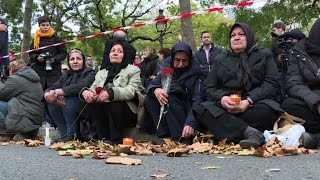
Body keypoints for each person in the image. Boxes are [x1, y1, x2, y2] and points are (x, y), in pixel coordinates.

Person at [193, 23, 282, 149]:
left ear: (249, 37)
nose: (236, 38)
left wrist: (248, 101)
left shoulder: (264, 55)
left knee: (267, 111)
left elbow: (272, 83)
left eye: (241, 34)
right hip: (228, 107)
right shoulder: (220, 59)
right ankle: (252, 133)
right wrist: (223, 99)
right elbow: (209, 87)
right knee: (201, 109)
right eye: (233, 35)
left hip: (255, 105)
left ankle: (228, 131)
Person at [140, 42, 205, 144]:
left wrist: (191, 122)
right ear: (172, 58)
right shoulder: (166, 67)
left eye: (184, 60)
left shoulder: (197, 71)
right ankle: (165, 135)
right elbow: (153, 84)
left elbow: (198, 99)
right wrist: (156, 90)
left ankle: (179, 136)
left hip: (186, 107)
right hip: (169, 105)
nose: (180, 64)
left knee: (170, 97)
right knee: (150, 98)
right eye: (177, 60)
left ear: (189, 59)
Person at [81, 41, 142, 144]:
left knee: (114, 103)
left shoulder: (133, 70)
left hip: (127, 111)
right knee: (94, 103)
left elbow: (132, 90)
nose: (115, 53)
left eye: (120, 51)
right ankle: (103, 139)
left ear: (125, 54)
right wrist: (87, 93)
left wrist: (111, 93)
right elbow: (93, 87)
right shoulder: (102, 72)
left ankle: (116, 139)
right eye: (112, 51)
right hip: (105, 108)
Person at [282, 18, 320, 149]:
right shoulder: (297, 52)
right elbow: (293, 82)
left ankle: (316, 139)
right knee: (289, 105)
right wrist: (316, 103)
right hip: (311, 101)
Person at [44, 49, 95, 142]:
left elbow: (81, 86)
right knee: (52, 102)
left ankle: (72, 134)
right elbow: (54, 86)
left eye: (78, 59)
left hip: (84, 107)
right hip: (67, 106)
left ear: (83, 61)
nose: (75, 61)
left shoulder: (90, 72)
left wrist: (59, 92)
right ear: (68, 62)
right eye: (72, 59)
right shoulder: (66, 74)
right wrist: (47, 94)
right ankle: (64, 134)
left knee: (69, 100)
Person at [0, 60, 43, 141]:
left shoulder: (16, 79)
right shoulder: (33, 79)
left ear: (11, 69)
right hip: (33, 117)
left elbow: (1, 93)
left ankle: (4, 133)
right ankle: (26, 133)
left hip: (23, 115)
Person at [29, 15, 67, 90]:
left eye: (47, 25)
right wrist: (37, 58)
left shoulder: (57, 38)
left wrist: (55, 59)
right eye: (43, 25)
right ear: (39, 26)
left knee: (52, 94)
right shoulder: (35, 39)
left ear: (50, 25)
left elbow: (64, 53)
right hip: (39, 72)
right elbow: (31, 54)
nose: (45, 27)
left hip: (54, 72)